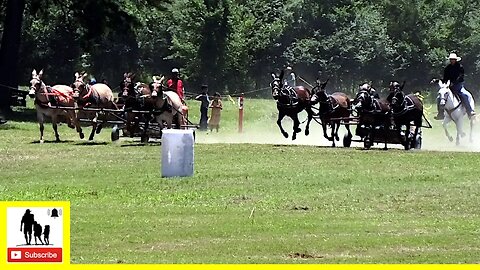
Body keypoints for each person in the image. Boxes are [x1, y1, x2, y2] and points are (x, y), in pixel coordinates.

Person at [437, 52, 475, 119]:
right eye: (451, 59)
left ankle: (470, 111)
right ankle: (440, 113)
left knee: (464, 95)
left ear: (456, 60)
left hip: (458, 85)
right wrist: (437, 80)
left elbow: (461, 76)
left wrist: (454, 82)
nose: (452, 60)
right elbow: (445, 78)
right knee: (439, 98)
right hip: (449, 86)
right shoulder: (447, 68)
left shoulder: (460, 67)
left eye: (453, 59)